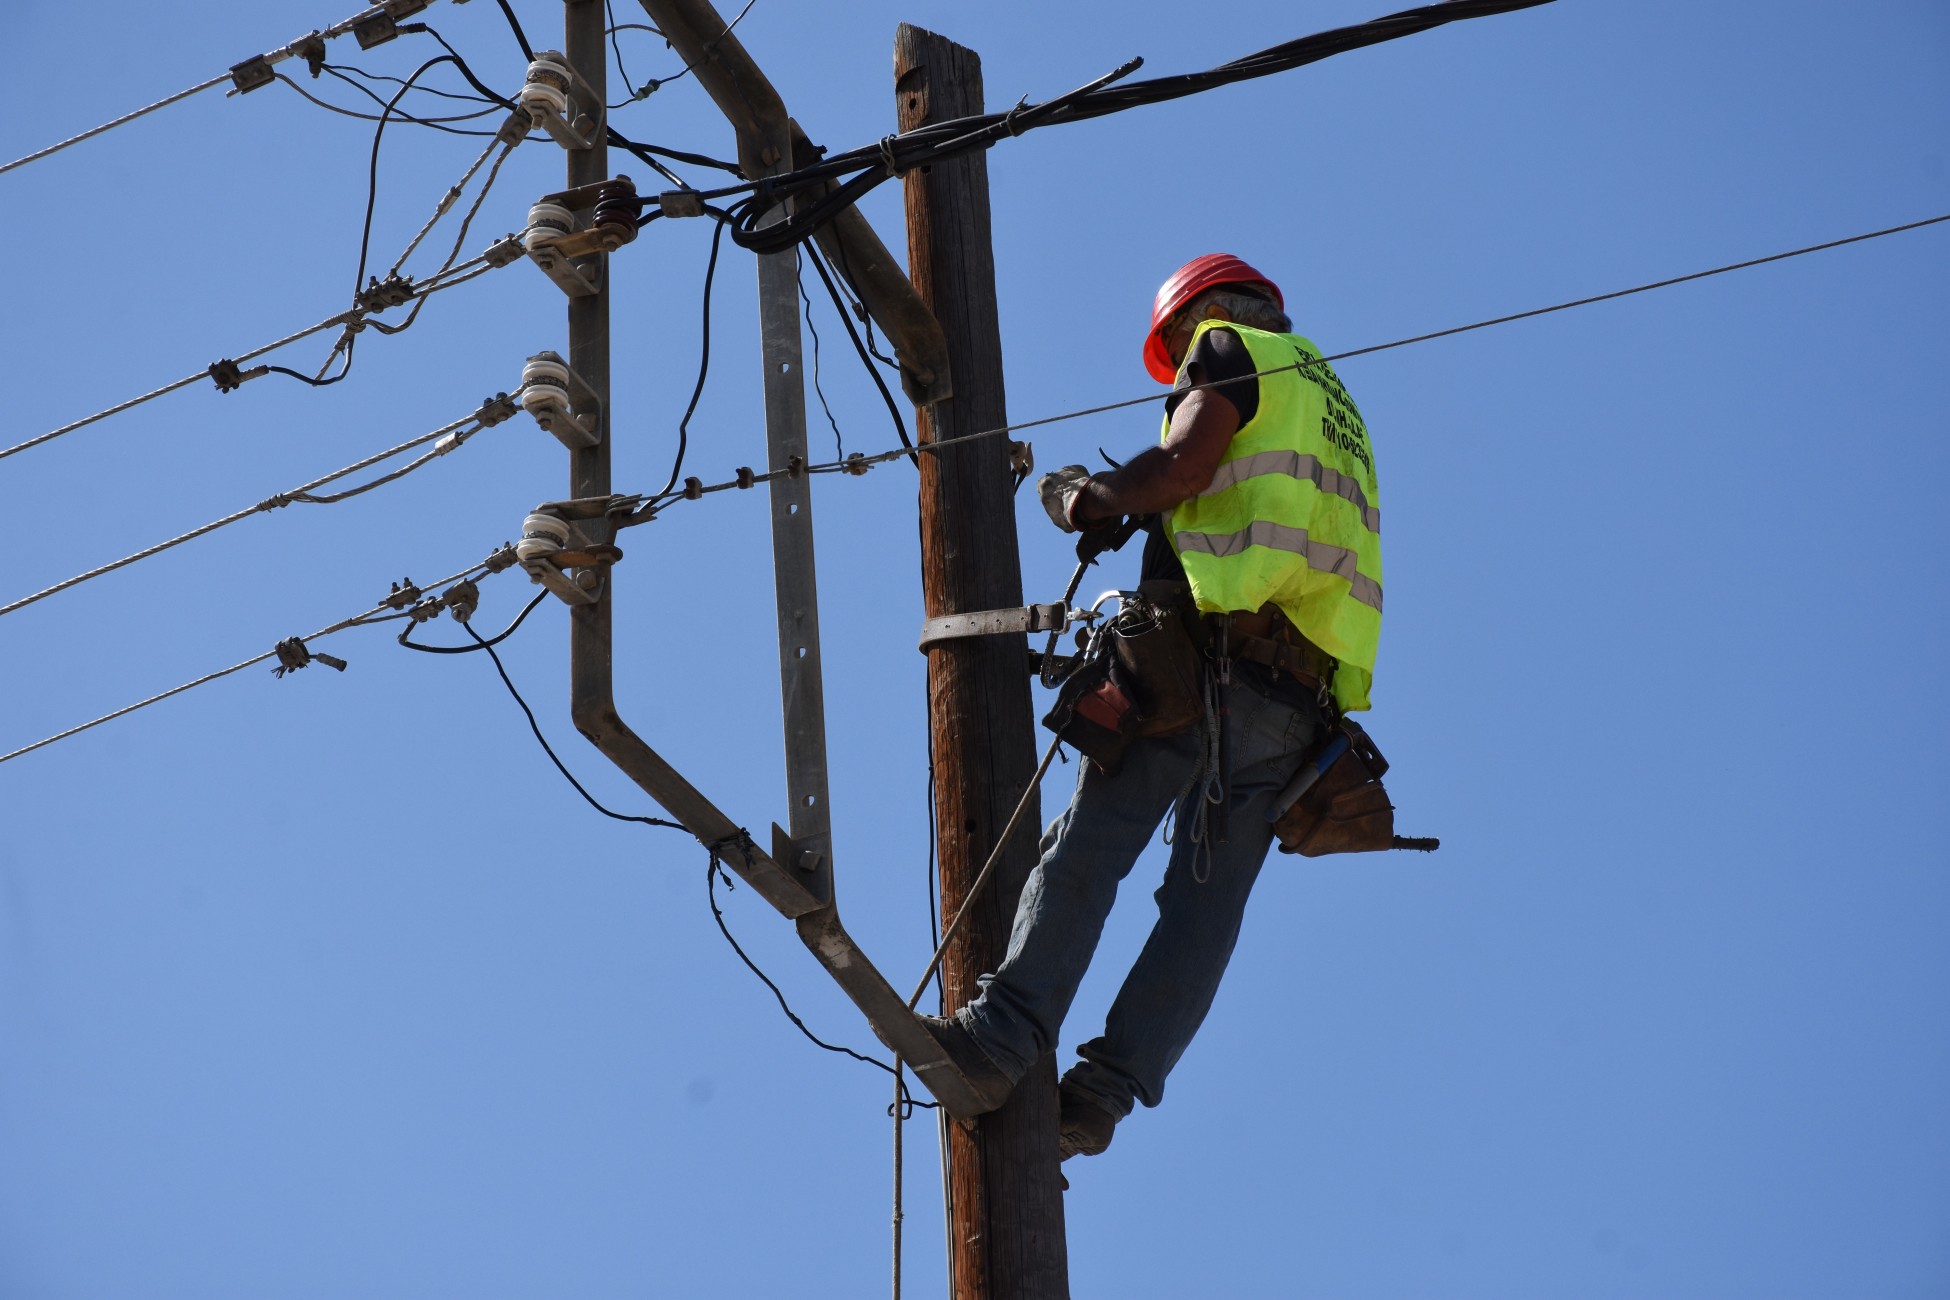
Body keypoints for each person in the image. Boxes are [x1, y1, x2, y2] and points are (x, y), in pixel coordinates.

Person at [919, 254, 1386, 1160]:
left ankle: (996, 1043)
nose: (1177, 366)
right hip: (1298, 706)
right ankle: (1099, 1098)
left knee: (1088, 847)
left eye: (1173, 348)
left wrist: (1085, 498)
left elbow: (1181, 466)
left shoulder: (1227, 346)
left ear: (1204, 312)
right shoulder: (1336, 402)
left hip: (1204, 664)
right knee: (1204, 911)